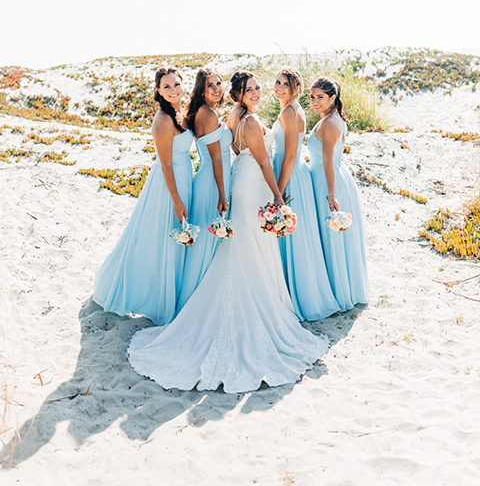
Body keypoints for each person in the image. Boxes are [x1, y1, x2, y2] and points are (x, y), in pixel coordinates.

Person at [127, 71, 328, 393]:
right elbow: (262, 162)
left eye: (259, 88)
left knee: (244, 245)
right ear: (239, 93)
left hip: (241, 181)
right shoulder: (244, 119)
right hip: (253, 183)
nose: (258, 92)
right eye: (250, 89)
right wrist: (278, 196)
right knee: (249, 245)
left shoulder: (234, 114)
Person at [93, 67, 193, 325]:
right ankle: (153, 297)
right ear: (158, 91)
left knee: (174, 239)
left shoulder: (180, 113)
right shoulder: (162, 120)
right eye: (167, 86)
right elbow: (166, 164)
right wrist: (177, 199)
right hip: (168, 185)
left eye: (176, 84)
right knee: (158, 238)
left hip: (184, 177)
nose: (173, 90)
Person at [272, 69, 339, 320]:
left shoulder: (290, 112)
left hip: (289, 174)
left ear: (295, 89)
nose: (279, 87)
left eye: (285, 84)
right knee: (293, 237)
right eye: (277, 82)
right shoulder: (291, 110)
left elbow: (289, 154)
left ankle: (296, 297)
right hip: (292, 172)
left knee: (292, 237)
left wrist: (279, 191)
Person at [307, 76, 369, 311]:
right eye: (312, 97)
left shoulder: (330, 122)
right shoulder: (329, 119)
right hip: (329, 179)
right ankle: (339, 287)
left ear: (332, 98)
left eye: (320, 97)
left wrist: (331, 194)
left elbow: (328, 161)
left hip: (329, 182)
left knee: (333, 237)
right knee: (332, 238)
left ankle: (339, 291)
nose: (315, 101)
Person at [175, 68, 232, 311]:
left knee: (208, 240)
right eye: (211, 85)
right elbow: (216, 159)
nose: (217, 88)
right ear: (201, 89)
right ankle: (197, 303)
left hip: (209, 178)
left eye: (219, 83)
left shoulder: (203, 111)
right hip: (212, 181)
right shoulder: (207, 114)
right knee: (209, 240)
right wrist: (221, 193)